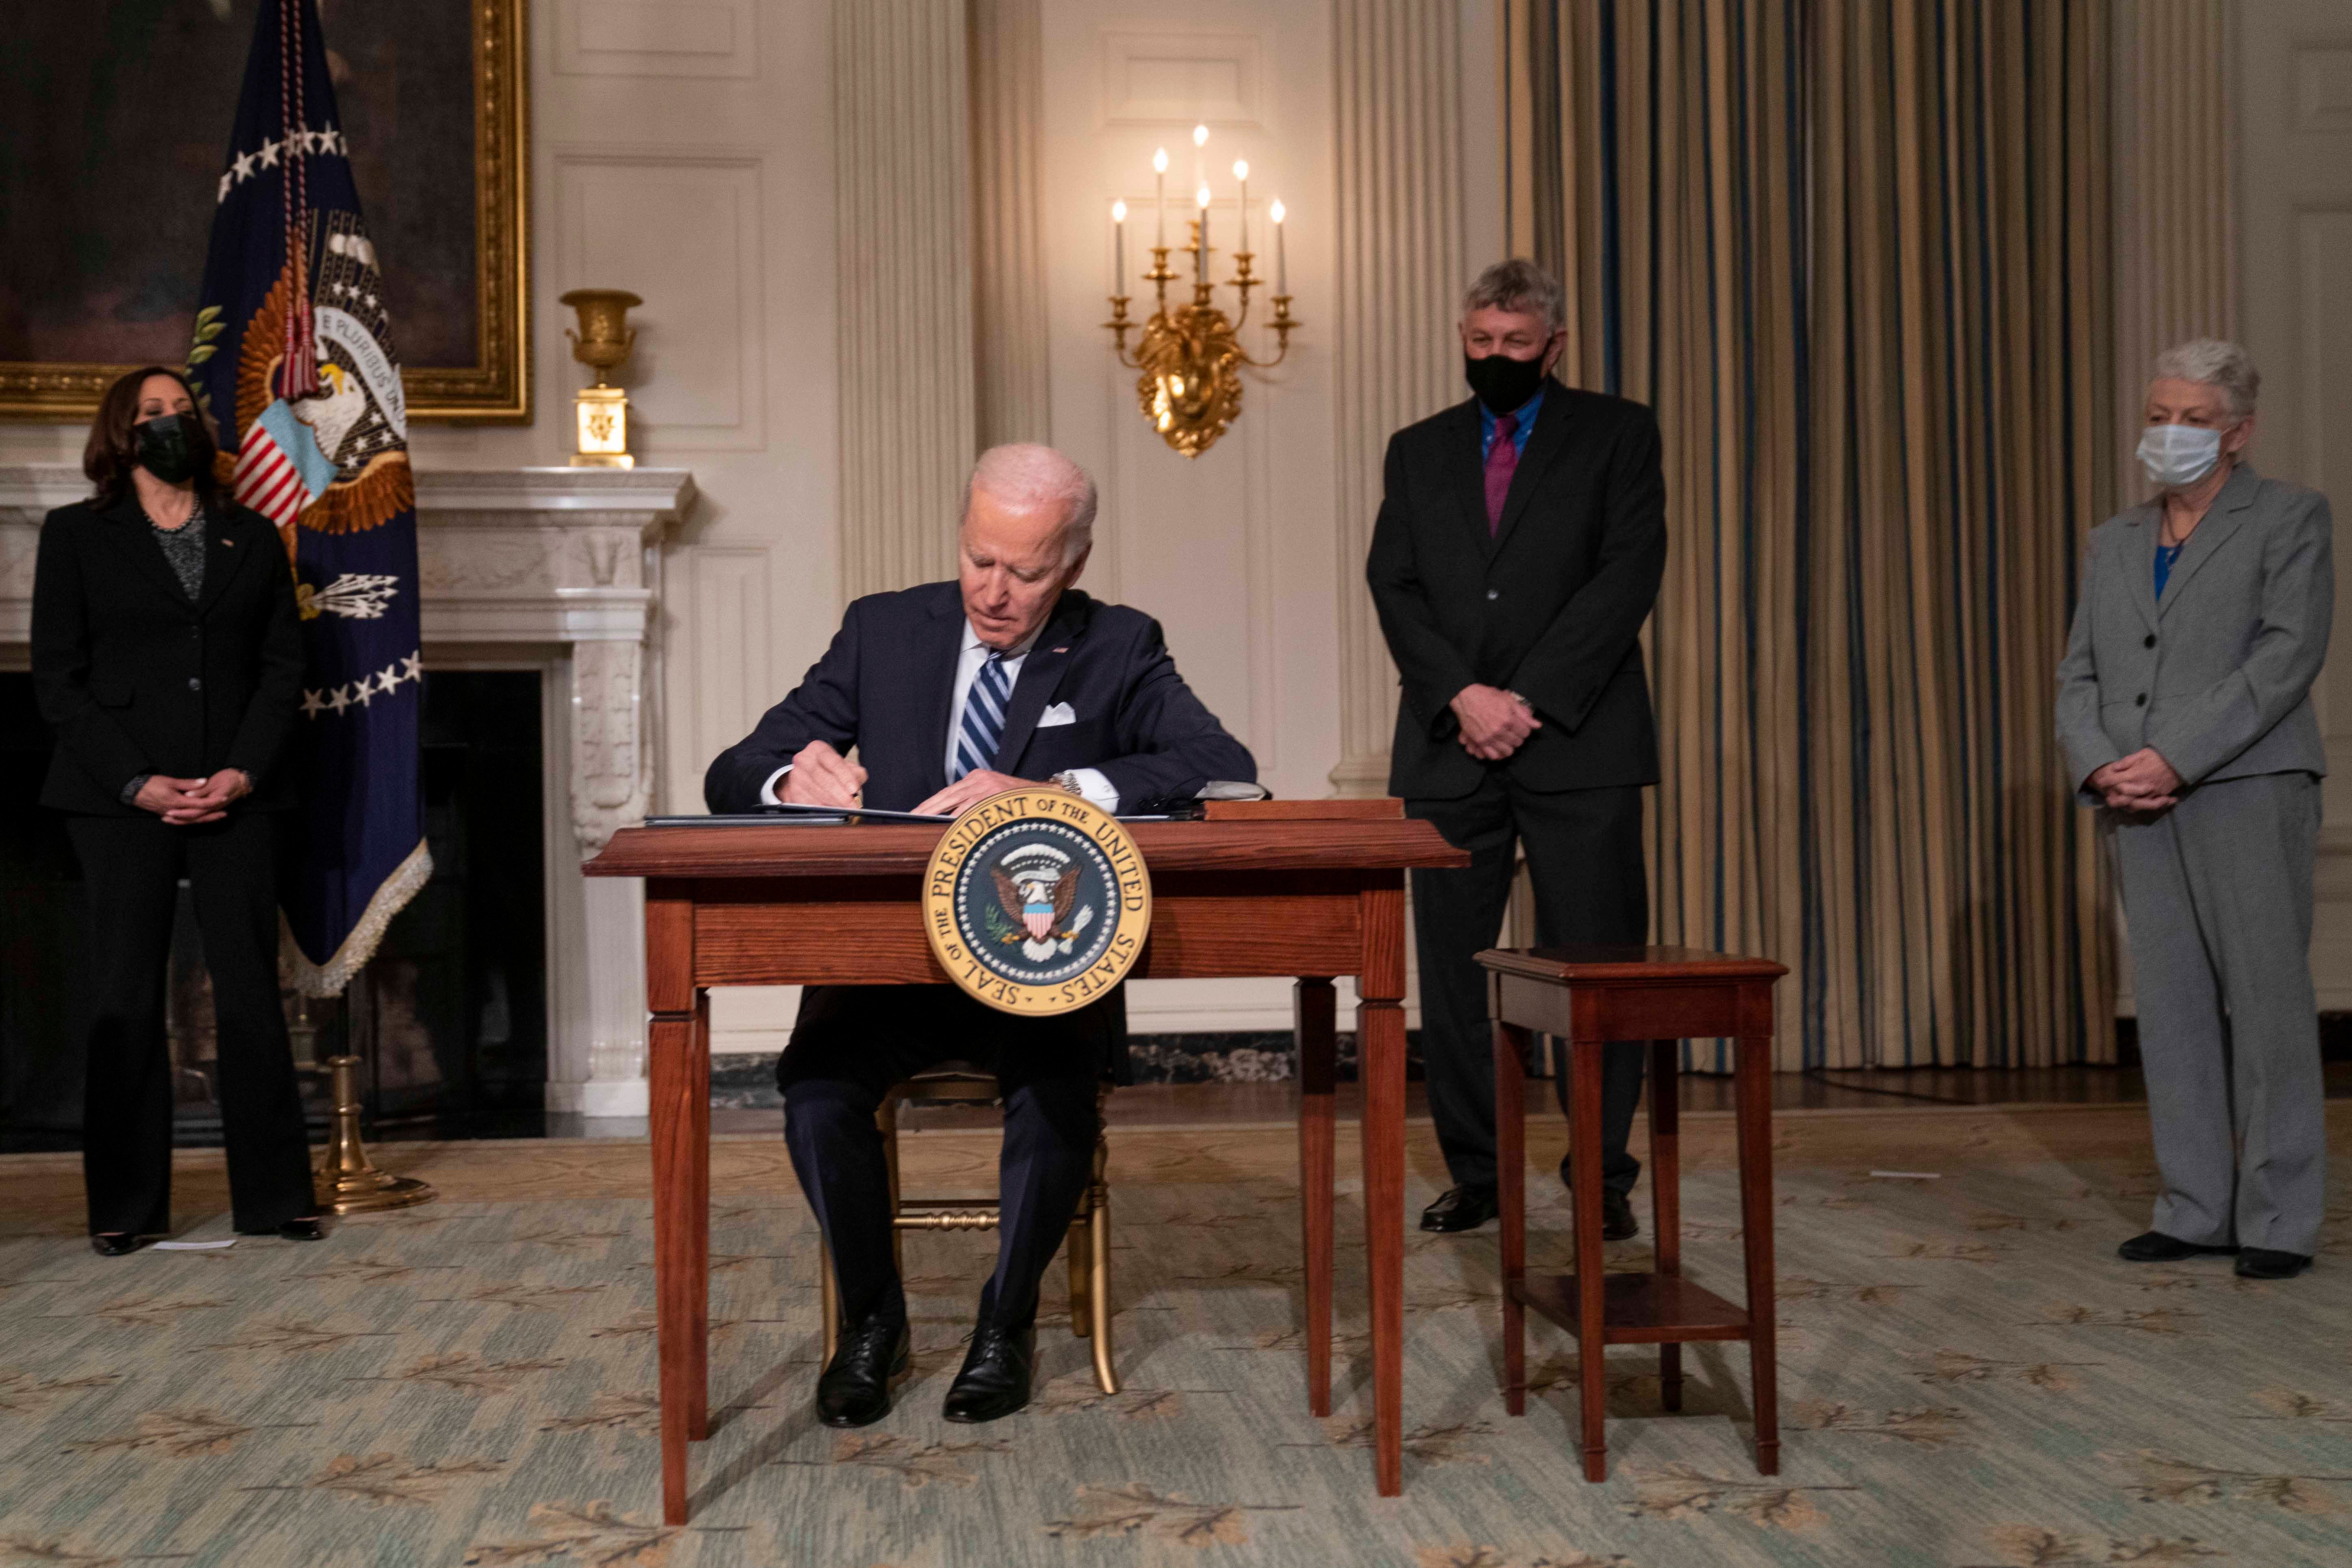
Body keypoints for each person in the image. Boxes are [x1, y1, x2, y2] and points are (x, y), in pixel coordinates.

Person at [706, 443, 1254, 1426]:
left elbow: (1220, 760)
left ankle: (1006, 1323)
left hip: (1037, 968)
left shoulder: (1118, 644)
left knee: (1055, 1095)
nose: (994, 592)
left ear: (1074, 565)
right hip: (888, 966)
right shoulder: (882, 629)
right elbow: (735, 763)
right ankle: (874, 1323)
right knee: (815, 1092)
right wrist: (792, 779)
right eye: (979, 560)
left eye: (1027, 571)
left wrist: (1057, 791)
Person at [1365, 258, 1668, 1239]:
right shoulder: (1416, 451)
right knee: (1456, 976)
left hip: (1579, 740)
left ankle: (1602, 1171)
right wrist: (1461, 695)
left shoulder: (1619, 433)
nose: (1495, 358)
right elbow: (1393, 584)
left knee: (1598, 965)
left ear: (1555, 345)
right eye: (1480, 343)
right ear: (1463, 337)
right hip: (1450, 744)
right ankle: (1479, 1172)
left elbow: (1627, 574)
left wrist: (1526, 698)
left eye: (1516, 345)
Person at [2056, 340, 2332, 1282]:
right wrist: (2101, 766)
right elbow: (2078, 672)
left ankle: (2277, 1215)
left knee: (2265, 1007)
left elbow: (2285, 658)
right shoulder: (2114, 539)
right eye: (2159, 413)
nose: (2169, 432)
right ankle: (2192, 1205)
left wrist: (2176, 755)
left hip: (2246, 786)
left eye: (2193, 418)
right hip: (2133, 800)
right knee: (2170, 1009)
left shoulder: (2289, 517)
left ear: (2238, 433)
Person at [30, 367, 319, 1255]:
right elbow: (58, 678)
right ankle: (125, 1205)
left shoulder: (253, 534)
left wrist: (239, 772)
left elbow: (281, 670)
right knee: (123, 998)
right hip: (118, 798)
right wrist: (137, 781)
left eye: (183, 411)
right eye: (151, 413)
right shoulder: (75, 535)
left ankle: (275, 1198)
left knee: (249, 995)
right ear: (121, 432)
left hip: (238, 792)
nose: (170, 423)